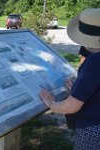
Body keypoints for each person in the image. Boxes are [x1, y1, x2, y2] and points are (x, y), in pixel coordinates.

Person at [39, 8, 100, 150]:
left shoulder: (94, 61)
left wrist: (51, 104)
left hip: (93, 129)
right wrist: (79, 91)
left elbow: (71, 107)